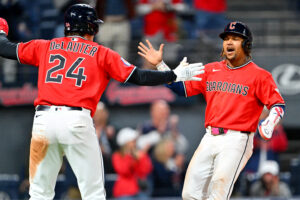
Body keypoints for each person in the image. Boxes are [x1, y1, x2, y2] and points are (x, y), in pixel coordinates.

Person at [0, 3, 204, 200]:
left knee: (39, 194)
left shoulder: (45, 46)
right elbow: (139, 77)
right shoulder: (100, 53)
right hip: (76, 120)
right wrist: (172, 75)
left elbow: (5, 48)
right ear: (92, 27)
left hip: (43, 121)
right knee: (93, 194)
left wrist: (0, 31)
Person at [138, 21, 286, 200]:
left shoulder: (260, 75)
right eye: (227, 38)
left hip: (237, 139)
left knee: (218, 193)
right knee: (189, 194)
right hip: (210, 137)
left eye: (235, 39)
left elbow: (278, 104)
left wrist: (268, 123)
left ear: (247, 44)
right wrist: (161, 65)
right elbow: (181, 89)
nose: (229, 42)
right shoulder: (211, 70)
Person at [112, 127, 152, 199]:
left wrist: (142, 157)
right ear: (126, 142)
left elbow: (145, 170)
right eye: (133, 141)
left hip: (139, 191)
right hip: (123, 192)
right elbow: (124, 170)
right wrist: (129, 156)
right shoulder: (117, 156)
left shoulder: (137, 154)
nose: (135, 143)